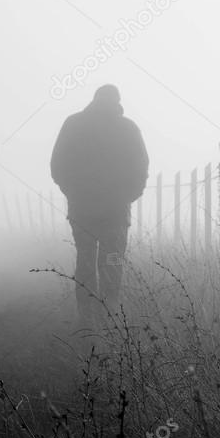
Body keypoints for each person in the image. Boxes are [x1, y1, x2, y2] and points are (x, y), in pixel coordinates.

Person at [50, 85, 149, 325]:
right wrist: (127, 198)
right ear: (118, 101)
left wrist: (73, 194)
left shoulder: (73, 124)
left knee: (85, 259)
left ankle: (86, 318)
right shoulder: (128, 128)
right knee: (113, 260)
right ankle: (111, 316)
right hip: (116, 215)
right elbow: (141, 169)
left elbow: (57, 166)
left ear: (94, 99)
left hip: (82, 212)